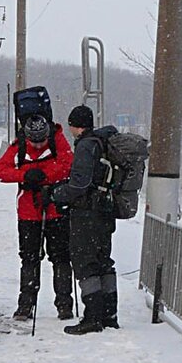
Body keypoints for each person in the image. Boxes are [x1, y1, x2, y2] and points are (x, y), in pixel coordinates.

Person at [0, 114, 74, 321]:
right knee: (29, 259)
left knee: (61, 258)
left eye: (42, 140)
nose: (38, 145)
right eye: (33, 141)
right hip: (28, 212)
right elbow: (0, 171)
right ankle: (26, 304)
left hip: (56, 210)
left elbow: (69, 165)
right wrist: (25, 176)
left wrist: (44, 177)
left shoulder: (59, 141)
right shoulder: (18, 147)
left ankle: (64, 304)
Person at [47, 105, 120, 334]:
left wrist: (56, 193)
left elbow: (79, 184)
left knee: (85, 261)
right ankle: (110, 314)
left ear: (74, 125)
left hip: (87, 212)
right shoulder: (105, 143)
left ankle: (92, 317)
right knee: (104, 260)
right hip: (106, 210)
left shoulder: (86, 146)